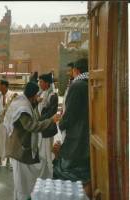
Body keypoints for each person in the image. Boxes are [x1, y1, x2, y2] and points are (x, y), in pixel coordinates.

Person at [3, 81, 61, 200]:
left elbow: (30, 111)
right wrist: (51, 120)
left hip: (20, 146)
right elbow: (31, 126)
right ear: (33, 95)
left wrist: (35, 103)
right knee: (23, 182)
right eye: (36, 95)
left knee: (26, 179)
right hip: (20, 149)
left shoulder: (22, 100)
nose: (38, 97)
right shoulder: (23, 107)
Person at [53, 58, 91, 196]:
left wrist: (60, 123)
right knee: (84, 177)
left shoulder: (78, 85)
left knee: (69, 177)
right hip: (87, 138)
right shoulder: (91, 82)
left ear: (76, 70)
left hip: (76, 140)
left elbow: (70, 116)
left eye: (72, 71)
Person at [0, 79, 17, 168]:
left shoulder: (13, 95)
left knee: (8, 142)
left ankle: (8, 161)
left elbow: (16, 109)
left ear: (5, 86)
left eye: (0, 86)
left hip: (8, 123)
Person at [37, 73, 59, 177]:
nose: (39, 83)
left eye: (41, 82)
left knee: (48, 153)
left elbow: (52, 112)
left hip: (47, 128)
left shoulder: (52, 95)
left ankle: (51, 174)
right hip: (40, 127)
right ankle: (43, 174)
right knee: (41, 153)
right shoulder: (41, 93)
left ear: (47, 83)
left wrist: (39, 120)